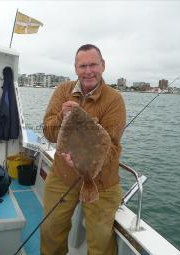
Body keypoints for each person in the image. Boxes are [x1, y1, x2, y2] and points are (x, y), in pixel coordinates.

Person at [41, 44, 126, 255]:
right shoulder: (63, 91)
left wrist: (84, 162)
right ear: (76, 68)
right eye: (83, 66)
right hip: (63, 175)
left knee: (100, 241)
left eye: (93, 65)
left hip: (101, 182)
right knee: (51, 229)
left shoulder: (114, 100)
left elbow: (112, 147)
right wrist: (63, 116)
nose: (88, 71)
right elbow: (48, 132)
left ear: (103, 65)